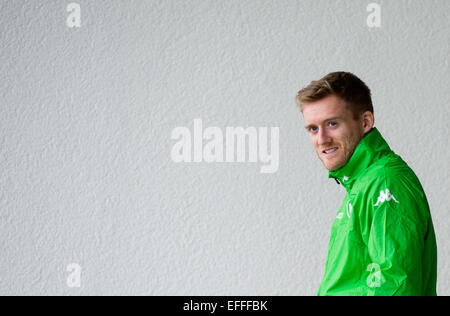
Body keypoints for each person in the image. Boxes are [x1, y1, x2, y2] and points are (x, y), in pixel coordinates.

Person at [296, 72, 437, 296]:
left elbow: (394, 286)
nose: (321, 139)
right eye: (313, 128)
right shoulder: (362, 184)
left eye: (332, 124)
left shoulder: (385, 182)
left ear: (365, 122)